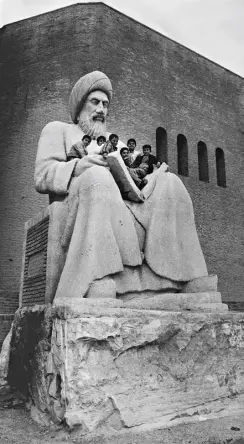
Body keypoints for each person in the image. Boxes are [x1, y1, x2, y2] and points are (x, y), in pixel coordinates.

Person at [35, 70, 208, 301]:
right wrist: (78, 167)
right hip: (81, 199)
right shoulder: (58, 130)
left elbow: (138, 168)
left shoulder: (118, 143)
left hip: (123, 204)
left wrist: (152, 172)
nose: (101, 110)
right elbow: (42, 175)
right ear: (79, 107)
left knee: (171, 184)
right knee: (98, 176)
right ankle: (98, 278)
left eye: (105, 105)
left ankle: (174, 277)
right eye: (94, 102)